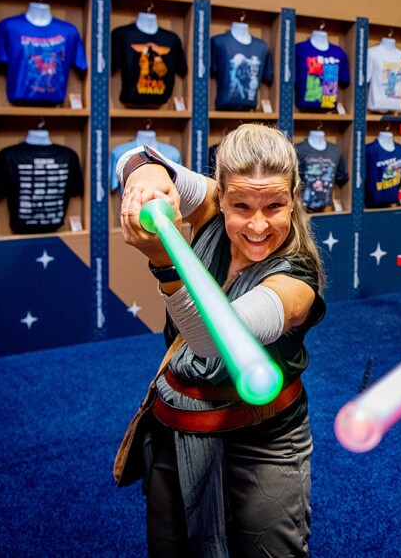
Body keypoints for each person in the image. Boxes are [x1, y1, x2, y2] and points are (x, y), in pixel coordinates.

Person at [116, 123, 325, 557]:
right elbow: (134, 159)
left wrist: (164, 262)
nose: (258, 224)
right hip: (177, 424)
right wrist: (146, 181)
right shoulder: (210, 204)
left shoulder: (297, 279)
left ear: (293, 198)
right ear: (221, 195)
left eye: (275, 205)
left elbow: (214, 339)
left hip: (262, 438)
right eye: (241, 205)